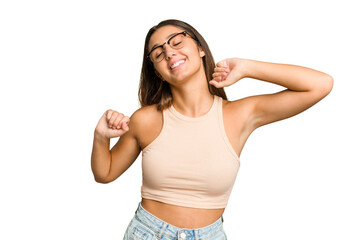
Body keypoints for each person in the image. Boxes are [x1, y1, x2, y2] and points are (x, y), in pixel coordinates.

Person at [91, 19, 333, 240]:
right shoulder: (145, 120)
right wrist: (101, 137)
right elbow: (105, 173)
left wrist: (248, 68)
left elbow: (320, 85)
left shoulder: (240, 115)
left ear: (200, 49)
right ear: (158, 73)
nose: (169, 52)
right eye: (158, 53)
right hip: (147, 233)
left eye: (176, 42)